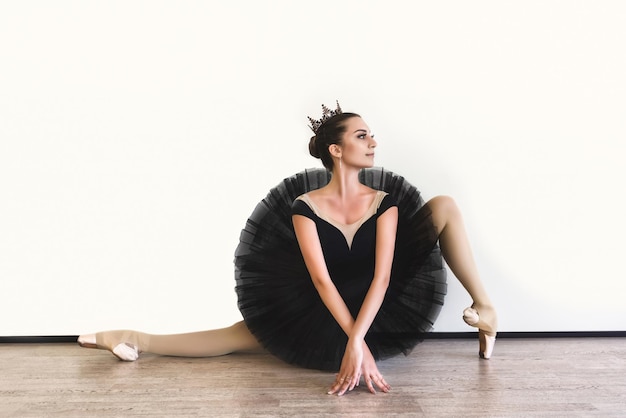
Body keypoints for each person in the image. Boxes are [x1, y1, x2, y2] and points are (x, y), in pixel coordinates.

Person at [78, 102, 497, 396]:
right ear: (336, 150)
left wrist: (358, 340)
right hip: (317, 305)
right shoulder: (305, 207)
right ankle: (129, 335)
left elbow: (384, 277)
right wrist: (356, 344)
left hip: (374, 304)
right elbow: (319, 278)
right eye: (361, 135)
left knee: (444, 205)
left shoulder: (384, 202)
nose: (373, 141)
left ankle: (487, 310)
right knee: (233, 338)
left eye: (372, 134)